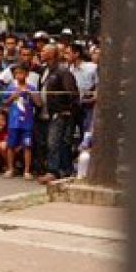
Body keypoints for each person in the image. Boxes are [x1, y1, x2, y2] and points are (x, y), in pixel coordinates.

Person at [37, 44, 80, 184]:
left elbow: (72, 94)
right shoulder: (44, 70)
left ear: (52, 54)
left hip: (59, 113)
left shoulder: (63, 72)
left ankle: (53, 171)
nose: (41, 52)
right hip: (45, 112)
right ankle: (64, 170)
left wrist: (67, 110)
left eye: (44, 50)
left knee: (54, 142)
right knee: (55, 143)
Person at [3, 63, 37, 180]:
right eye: (16, 73)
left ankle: (27, 171)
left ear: (26, 74)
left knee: (27, 146)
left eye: (21, 73)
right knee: (11, 146)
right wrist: (13, 96)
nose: (18, 76)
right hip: (13, 122)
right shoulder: (11, 88)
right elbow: (5, 103)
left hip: (27, 122)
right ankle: (10, 169)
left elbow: (39, 103)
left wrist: (31, 94)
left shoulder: (32, 88)